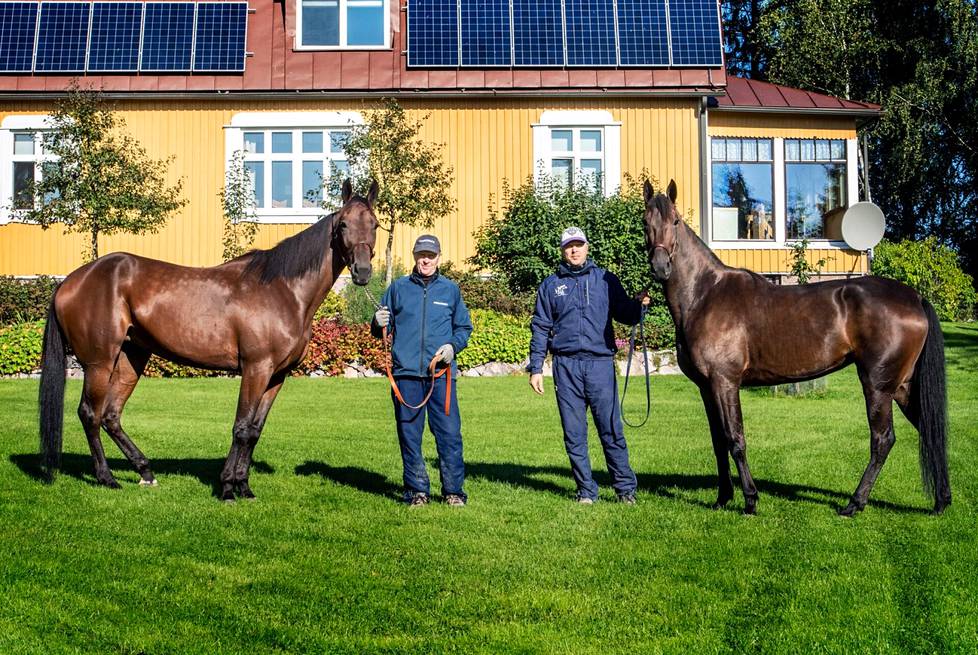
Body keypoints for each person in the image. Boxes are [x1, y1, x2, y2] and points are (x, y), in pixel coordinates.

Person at [528, 226, 649, 505]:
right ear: (562, 250)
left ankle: (625, 489)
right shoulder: (550, 285)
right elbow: (540, 327)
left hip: (600, 365)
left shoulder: (605, 280)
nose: (574, 250)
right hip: (566, 366)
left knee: (611, 429)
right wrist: (536, 368)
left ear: (587, 247)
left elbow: (625, 314)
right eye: (569, 245)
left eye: (578, 244)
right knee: (574, 433)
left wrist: (639, 306)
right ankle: (586, 491)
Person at [372, 235, 473, 507]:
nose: (426, 259)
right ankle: (417, 491)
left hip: (441, 377)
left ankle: (453, 492)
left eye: (431, 254)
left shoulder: (450, 290)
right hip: (406, 377)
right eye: (421, 254)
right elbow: (382, 330)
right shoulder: (398, 289)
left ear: (439, 256)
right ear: (415, 256)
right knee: (409, 436)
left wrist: (453, 347)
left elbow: (464, 328)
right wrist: (377, 321)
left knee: (449, 435)